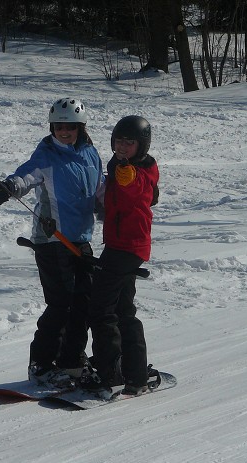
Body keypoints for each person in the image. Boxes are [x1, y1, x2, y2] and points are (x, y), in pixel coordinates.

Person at [0, 97, 103, 387]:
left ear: (81, 127)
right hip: (52, 240)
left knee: (83, 304)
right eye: (58, 126)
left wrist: (112, 203)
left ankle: (71, 360)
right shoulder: (47, 155)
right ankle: (40, 364)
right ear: (52, 127)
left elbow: (100, 187)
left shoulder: (90, 154)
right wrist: (9, 187)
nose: (64, 132)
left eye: (70, 127)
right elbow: (26, 176)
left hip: (80, 239)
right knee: (61, 303)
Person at [79, 115, 160, 397]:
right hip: (122, 245)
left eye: (130, 142)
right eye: (119, 141)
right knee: (124, 309)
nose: (123, 146)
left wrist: (126, 176)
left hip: (128, 247)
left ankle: (109, 371)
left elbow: (137, 190)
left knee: (101, 308)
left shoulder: (133, 171)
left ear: (142, 145)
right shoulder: (121, 165)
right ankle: (134, 374)